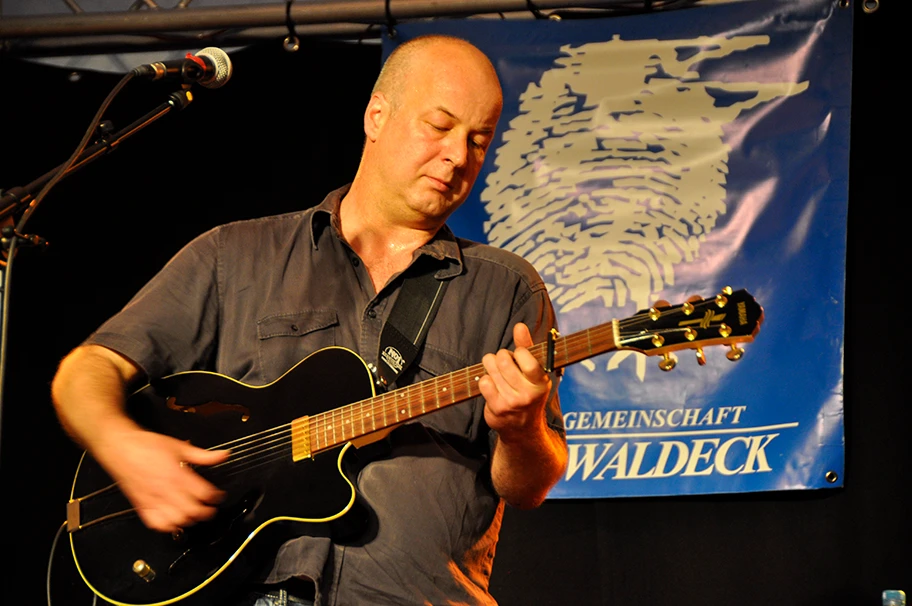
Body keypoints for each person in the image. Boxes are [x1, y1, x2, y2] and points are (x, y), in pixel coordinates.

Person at [51, 35, 568, 606]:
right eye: (439, 126)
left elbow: (527, 487)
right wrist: (122, 444)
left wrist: (522, 430)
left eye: (478, 140)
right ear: (377, 116)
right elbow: (86, 370)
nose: (457, 156)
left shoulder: (508, 288)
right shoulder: (235, 255)